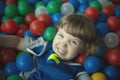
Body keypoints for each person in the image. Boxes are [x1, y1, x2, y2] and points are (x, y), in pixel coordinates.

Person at [0, 14, 102, 80]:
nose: (63, 44)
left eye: (73, 42)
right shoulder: (44, 47)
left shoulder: (76, 68)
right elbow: (18, 42)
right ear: (56, 32)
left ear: (82, 48)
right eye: (61, 36)